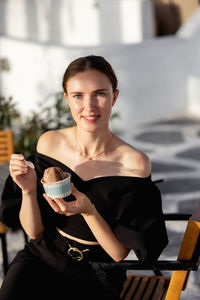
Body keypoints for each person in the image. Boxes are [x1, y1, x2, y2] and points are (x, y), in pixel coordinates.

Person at [0, 55, 168, 299]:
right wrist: (27, 190)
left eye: (99, 93)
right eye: (78, 96)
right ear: (67, 99)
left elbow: (118, 254)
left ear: (115, 97)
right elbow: (35, 232)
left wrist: (89, 211)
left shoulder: (134, 163)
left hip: (97, 272)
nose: (89, 107)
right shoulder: (50, 143)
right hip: (41, 257)